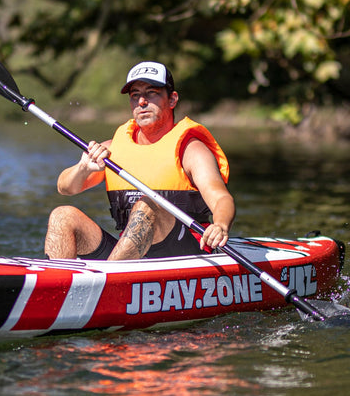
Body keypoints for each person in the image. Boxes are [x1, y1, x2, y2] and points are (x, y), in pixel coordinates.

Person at [44, 60, 235, 260]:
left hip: (184, 252)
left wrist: (220, 225)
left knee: (147, 205)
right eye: (135, 96)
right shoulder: (111, 150)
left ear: (172, 100)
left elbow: (222, 199)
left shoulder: (191, 151)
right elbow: (65, 188)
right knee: (62, 216)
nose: (142, 102)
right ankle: (58, 287)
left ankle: (109, 280)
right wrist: (83, 168)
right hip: (130, 257)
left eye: (151, 93)